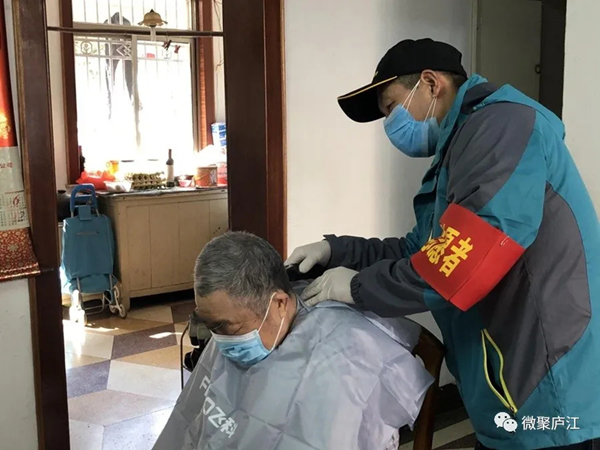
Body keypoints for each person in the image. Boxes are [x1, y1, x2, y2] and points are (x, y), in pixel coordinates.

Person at [286, 38, 600, 450]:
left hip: (549, 378)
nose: (390, 125)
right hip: (508, 375)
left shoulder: (501, 128)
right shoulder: (462, 146)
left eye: (391, 107)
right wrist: (337, 251)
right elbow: (422, 251)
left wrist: (358, 287)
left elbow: (465, 260)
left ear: (431, 84)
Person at [153, 232, 433, 450]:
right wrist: (336, 249)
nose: (221, 339)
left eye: (229, 327)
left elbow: (438, 266)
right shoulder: (233, 319)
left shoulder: (346, 356)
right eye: (213, 326)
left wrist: (365, 286)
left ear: (279, 304)